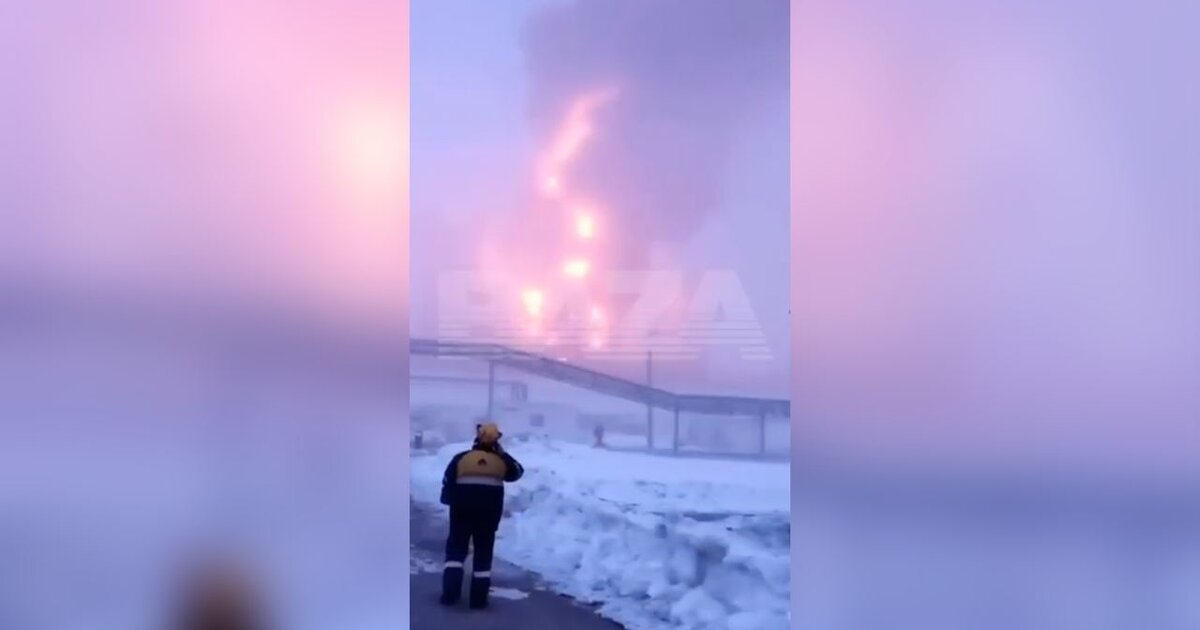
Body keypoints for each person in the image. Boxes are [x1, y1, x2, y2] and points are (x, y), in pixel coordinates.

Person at [439, 421, 524, 609]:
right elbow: (517, 472)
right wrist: (502, 453)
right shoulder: (501, 463)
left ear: (476, 438)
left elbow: (447, 483)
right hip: (488, 515)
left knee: (456, 551)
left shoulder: (461, 458)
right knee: (483, 554)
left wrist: (451, 500)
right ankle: (478, 600)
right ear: (496, 442)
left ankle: (450, 595)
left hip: (461, 512)